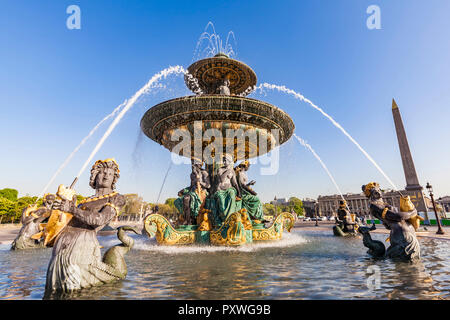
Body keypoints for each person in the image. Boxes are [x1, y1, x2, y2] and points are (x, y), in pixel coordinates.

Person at [45, 159, 128, 294]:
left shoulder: (116, 198)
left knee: (74, 289)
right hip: (62, 246)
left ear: (114, 179)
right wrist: (58, 208)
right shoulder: (84, 201)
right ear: (94, 176)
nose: (106, 176)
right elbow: (66, 220)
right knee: (55, 288)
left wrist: (72, 209)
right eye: (102, 173)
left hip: (81, 246)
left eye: (110, 174)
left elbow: (100, 219)